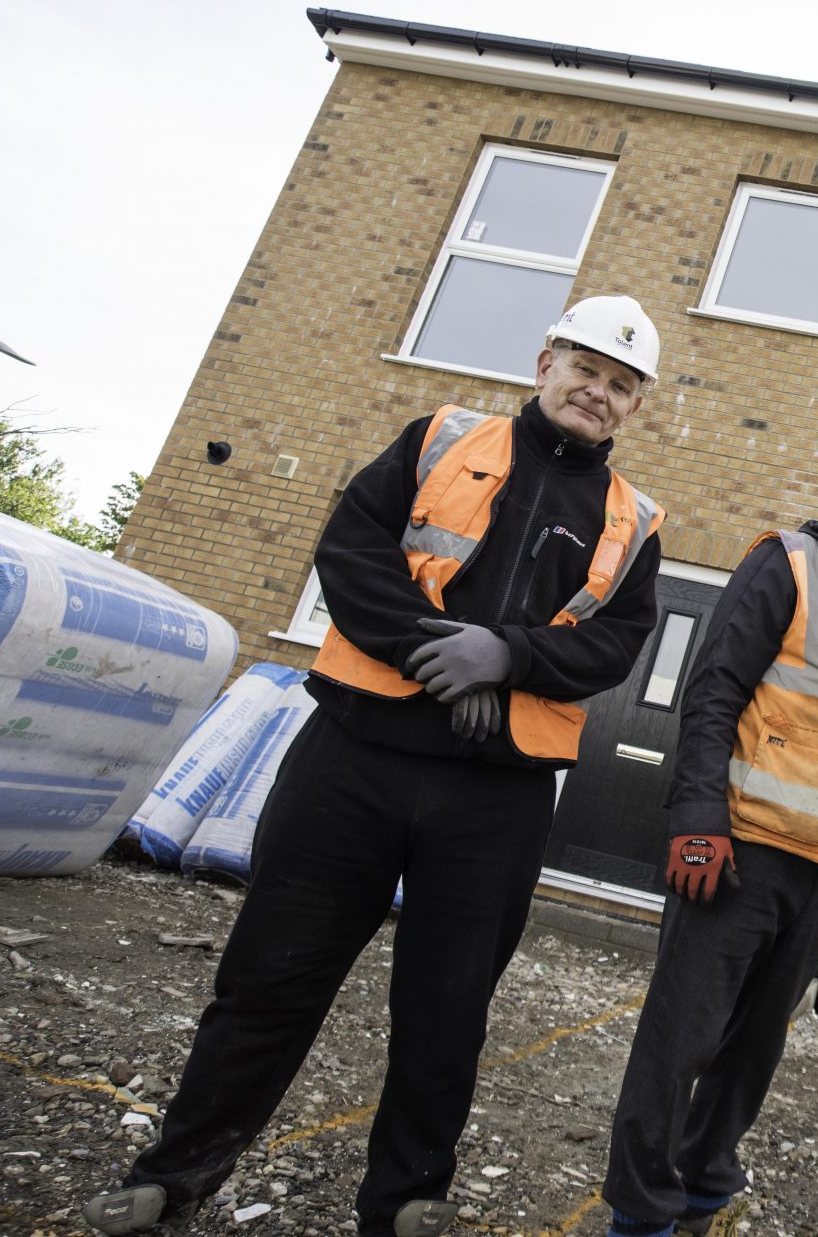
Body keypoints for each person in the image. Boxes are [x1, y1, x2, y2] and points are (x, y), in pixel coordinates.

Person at [85, 296, 668, 1237]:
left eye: (620, 384)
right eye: (586, 369)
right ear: (545, 361)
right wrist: (434, 655)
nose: (597, 392)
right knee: (271, 975)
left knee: (448, 1010)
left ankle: (405, 1201)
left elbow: (614, 647)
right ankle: (173, 1173)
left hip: (497, 792)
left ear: (635, 406)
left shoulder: (632, 520)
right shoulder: (438, 439)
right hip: (356, 759)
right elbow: (351, 551)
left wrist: (508, 657)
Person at [602, 416, 818, 1237]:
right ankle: (641, 1213)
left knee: (753, 1050)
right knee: (680, 1040)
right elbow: (713, 690)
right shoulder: (786, 563)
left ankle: (701, 1186)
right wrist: (696, 818)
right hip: (740, 853)